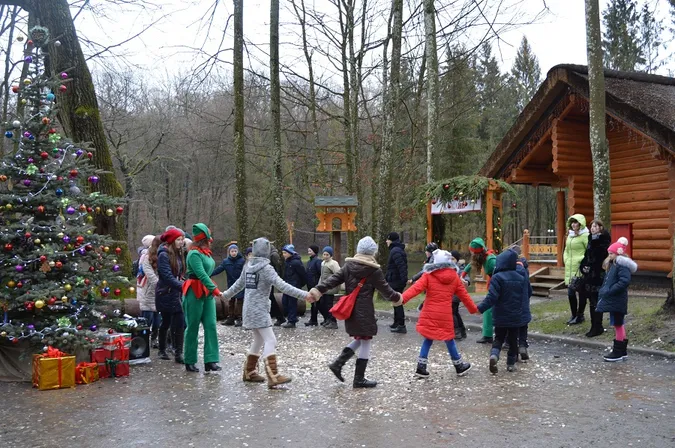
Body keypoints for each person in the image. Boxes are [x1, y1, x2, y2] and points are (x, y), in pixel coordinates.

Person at [309, 236, 402, 389]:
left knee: (361, 338)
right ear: (373, 252)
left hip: (351, 309)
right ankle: (358, 378)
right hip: (364, 311)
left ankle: (338, 364)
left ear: (359, 250)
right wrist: (398, 298)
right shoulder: (373, 271)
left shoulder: (348, 266)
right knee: (365, 340)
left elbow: (332, 280)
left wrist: (317, 290)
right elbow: (387, 290)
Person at [221, 238, 311, 388]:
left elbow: (238, 285)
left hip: (249, 309)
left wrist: (225, 295)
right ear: (267, 251)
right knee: (271, 340)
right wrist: (304, 295)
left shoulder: (248, 265)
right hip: (260, 310)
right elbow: (283, 286)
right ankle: (273, 375)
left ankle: (249, 372)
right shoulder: (266, 268)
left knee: (259, 340)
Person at [401, 249, 478, 378]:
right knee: (449, 339)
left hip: (429, 313)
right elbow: (464, 295)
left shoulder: (428, 275)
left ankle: (421, 367)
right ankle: (458, 365)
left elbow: (415, 289)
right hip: (445, 315)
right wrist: (473, 309)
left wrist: (402, 299)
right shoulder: (454, 277)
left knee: (428, 339)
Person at [477, 250, 531, 374]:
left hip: (500, 316)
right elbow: (528, 292)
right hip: (515, 316)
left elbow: (492, 297)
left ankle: (494, 355)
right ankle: (511, 364)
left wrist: (480, 308)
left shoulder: (497, 277)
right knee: (513, 341)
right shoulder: (521, 276)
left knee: (499, 338)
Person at [182, 223, 222, 373]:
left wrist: (212, 290)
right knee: (192, 326)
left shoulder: (206, 253)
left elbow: (208, 275)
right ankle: (190, 360)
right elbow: (201, 275)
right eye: (207, 239)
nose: (210, 241)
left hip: (207, 292)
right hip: (194, 290)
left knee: (211, 324)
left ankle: (211, 360)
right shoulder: (194, 254)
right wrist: (216, 290)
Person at [597, 237, 637, 362]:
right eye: (609, 253)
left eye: (611, 253)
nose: (609, 255)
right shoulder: (613, 265)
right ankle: (622, 351)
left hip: (617, 299)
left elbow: (624, 281)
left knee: (618, 324)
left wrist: (610, 290)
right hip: (614, 299)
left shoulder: (621, 265)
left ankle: (618, 351)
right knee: (618, 323)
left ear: (618, 253)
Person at [155, 228, 186, 363]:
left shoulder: (178, 253)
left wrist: (186, 282)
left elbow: (178, 274)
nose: (181, 242)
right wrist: (183, 287)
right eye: (179, 240)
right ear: (172, 241)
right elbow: (167, 276)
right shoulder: (163, 255)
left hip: (175, 293)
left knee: (180, 322)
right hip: (165, 293)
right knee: (166, 322)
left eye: (182, 239)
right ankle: (163, 349)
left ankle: (178, 352)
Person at [460, 238, 497, 343]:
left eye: (472, 251)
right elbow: (469, 265)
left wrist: (496, 287)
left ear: (476, 252)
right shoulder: (481, 257)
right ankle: (488, 335)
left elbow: (500, 273)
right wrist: (462, 275)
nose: (471, 253)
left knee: (493, 309)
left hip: (498, 284)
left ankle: (503, 338)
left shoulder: (491, 260)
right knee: (488, 310)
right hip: (494, 283)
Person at [579, 220, 611, 337]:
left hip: (598, 275)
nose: (593, 228)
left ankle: (598, 326)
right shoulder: (590, 239)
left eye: (595, 226)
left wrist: (592, 265)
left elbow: (600, 257)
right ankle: (594, 326)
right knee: (591, 301)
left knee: (596, 301)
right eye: (592, 226)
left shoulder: (604, 240)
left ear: (601, 228)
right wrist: (583, 266)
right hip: (589, 275)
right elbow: (586, 256)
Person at [563, 214, 589, 325]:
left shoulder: (585, 235)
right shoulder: (570, 235)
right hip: (570, 267)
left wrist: (582, 261)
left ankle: (580, 315)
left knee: (581, 292)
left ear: (580, 224)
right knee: (570, 292)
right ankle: (573, 314)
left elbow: (589, 251)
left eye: (576, 222)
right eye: (572, 223)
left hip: (580, 268)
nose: (574, 225)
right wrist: (566, 260)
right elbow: (566, 250)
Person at [214, 244, 245, 327]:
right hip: (231, 284)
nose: (234, 253)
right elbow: (219, 269)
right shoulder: (226, 262)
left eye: (235, 251)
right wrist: (209, 274)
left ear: (237, 251)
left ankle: (239, 318)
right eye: (232, 251)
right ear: (229, 252)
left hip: (240, 284)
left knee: (239, 301)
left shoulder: (242, 261)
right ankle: (230, 318)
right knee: (231, 301)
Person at [139, 235, 161, 348]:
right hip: (148, 290)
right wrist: (161, 284)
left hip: (160, 292)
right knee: (148, 318)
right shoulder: (146, 257)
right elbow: (149, 275)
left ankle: (154, 338)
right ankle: (143, 340)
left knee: (157, 318)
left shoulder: (164, 256)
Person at [385, 232, 408, 333]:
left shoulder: (395, 251)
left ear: (391, 240)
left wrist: (403, 280)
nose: (386, 241)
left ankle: (401, 325)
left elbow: (401, 267)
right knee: (395, 301)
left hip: (396, 280)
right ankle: (396, 322)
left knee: (397, 302)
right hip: (394, 279)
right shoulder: (395, 250)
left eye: (387, 239)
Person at [280, 244, 307, 328]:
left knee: (291, 303)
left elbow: (303, 274)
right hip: (287, 285)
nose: (283, 254)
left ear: (290, 253)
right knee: (285, 302)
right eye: (283, 253)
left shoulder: (296, 262)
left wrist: (299, 284)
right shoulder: (288, 261)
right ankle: (292, 318)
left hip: (293, 286)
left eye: (285, 253)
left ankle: (292, 321)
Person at [318, 246, 340, 329]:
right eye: (324, 254)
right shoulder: (323, 263)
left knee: (329, 305)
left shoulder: (333, 263)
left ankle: (333, 321)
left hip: (330, 287)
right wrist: (319, 285)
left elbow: (338, 274)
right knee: (321, 304)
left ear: (330, 255)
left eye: (327, 254)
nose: (325, 256)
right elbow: (322, 276)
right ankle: (327, 319)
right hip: (324, 287)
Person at [449, 250, 468, 341]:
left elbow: (465, 277)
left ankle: (457, 332)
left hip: (456, 294)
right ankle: (462, 330)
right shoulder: (450, 267)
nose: (451, 260)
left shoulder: (459, 268)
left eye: (453, 258)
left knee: (452, 312)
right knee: (455, 312)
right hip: (452, 293)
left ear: (456, 259)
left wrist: (466, 282)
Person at [304, 245, 323, 326]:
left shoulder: (317, 261)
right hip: (310, 285)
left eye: (310, 251)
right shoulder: (309, 262)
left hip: (315, 285)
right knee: (313, 303)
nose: (308, 252)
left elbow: (320, 273)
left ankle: (327, 318)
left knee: (317, 304)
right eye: (308, 251)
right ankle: (313, 319)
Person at [268, 243, 286, 326]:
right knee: (270, 298)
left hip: (271, 279)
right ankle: (278, 316)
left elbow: (278, 268)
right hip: (269, 278)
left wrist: (277, 279)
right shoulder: (270, 254)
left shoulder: (273, 255)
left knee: (271, 298)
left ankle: (280, 317)